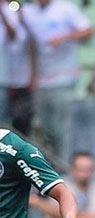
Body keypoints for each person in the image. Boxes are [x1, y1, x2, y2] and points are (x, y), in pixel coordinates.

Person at [22, 0, 94, 154]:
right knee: (45, 128)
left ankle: (64, 167)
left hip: (64, 78)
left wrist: (65, 37)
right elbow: (32, 46)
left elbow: (89, 31)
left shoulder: (65, 9)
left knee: (63, 128)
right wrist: (33, 76)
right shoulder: (30, 12)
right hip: (42, 80)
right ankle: (51, 164)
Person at [1, 0, 35, 133]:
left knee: (20, 123)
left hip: (18, 79)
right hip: (4, 78)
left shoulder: (19, 10)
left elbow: (15, 37)